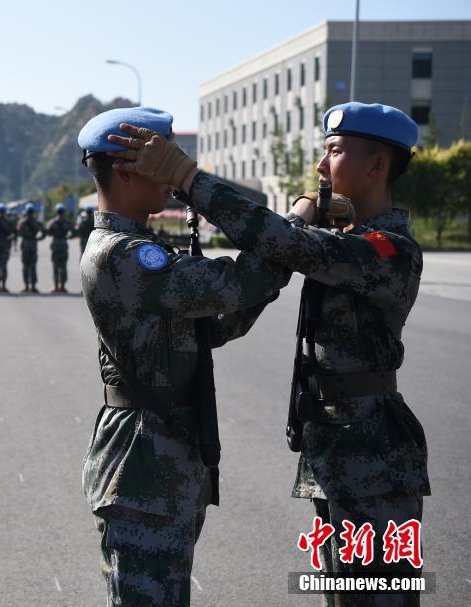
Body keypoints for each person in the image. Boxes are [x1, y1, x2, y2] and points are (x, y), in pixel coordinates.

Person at [109, 101, 429, 606]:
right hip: (339, 451)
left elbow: (288, 245)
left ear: (378, 165)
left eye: (336, 151)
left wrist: (189, 178)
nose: (322, 166)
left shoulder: (387, 249)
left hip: (375, 459)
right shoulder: (346, 240)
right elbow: (284, 252)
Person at [77, 107, 293, 606]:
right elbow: (235, 285)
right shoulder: (122, 254)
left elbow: (213, 324)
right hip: (142, 467)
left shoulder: (139, 247)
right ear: (127, 170)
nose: (174, 168)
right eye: (164, 158)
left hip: (164, 459)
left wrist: (274, 262)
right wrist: (290, 230)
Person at [45, 203, 74, 293]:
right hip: (63, 243)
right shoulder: (68, 222)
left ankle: (56, 286)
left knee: (55, 266)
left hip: (55, 243)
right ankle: (62, 286)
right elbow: (73, 233)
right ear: (64, 212)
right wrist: (67, 237)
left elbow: (48, 233)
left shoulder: (52, 222)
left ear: (56, 212)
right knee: (63, 266)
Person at [17, 202, 46, 293]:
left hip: (25, 243)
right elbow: (44, 232)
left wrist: (24, 235)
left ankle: (26, 286)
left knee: (26, 266)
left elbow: (17, 232)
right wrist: (38, 238)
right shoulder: (37, 222)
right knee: (33, 266)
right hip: (33, 244)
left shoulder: (22, 223)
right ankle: (33, 286)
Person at [0, 202, 17, 292]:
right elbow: (12, 234)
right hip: (5, 246)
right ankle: (4, 286)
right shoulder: (9, 222)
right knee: (4, 266)